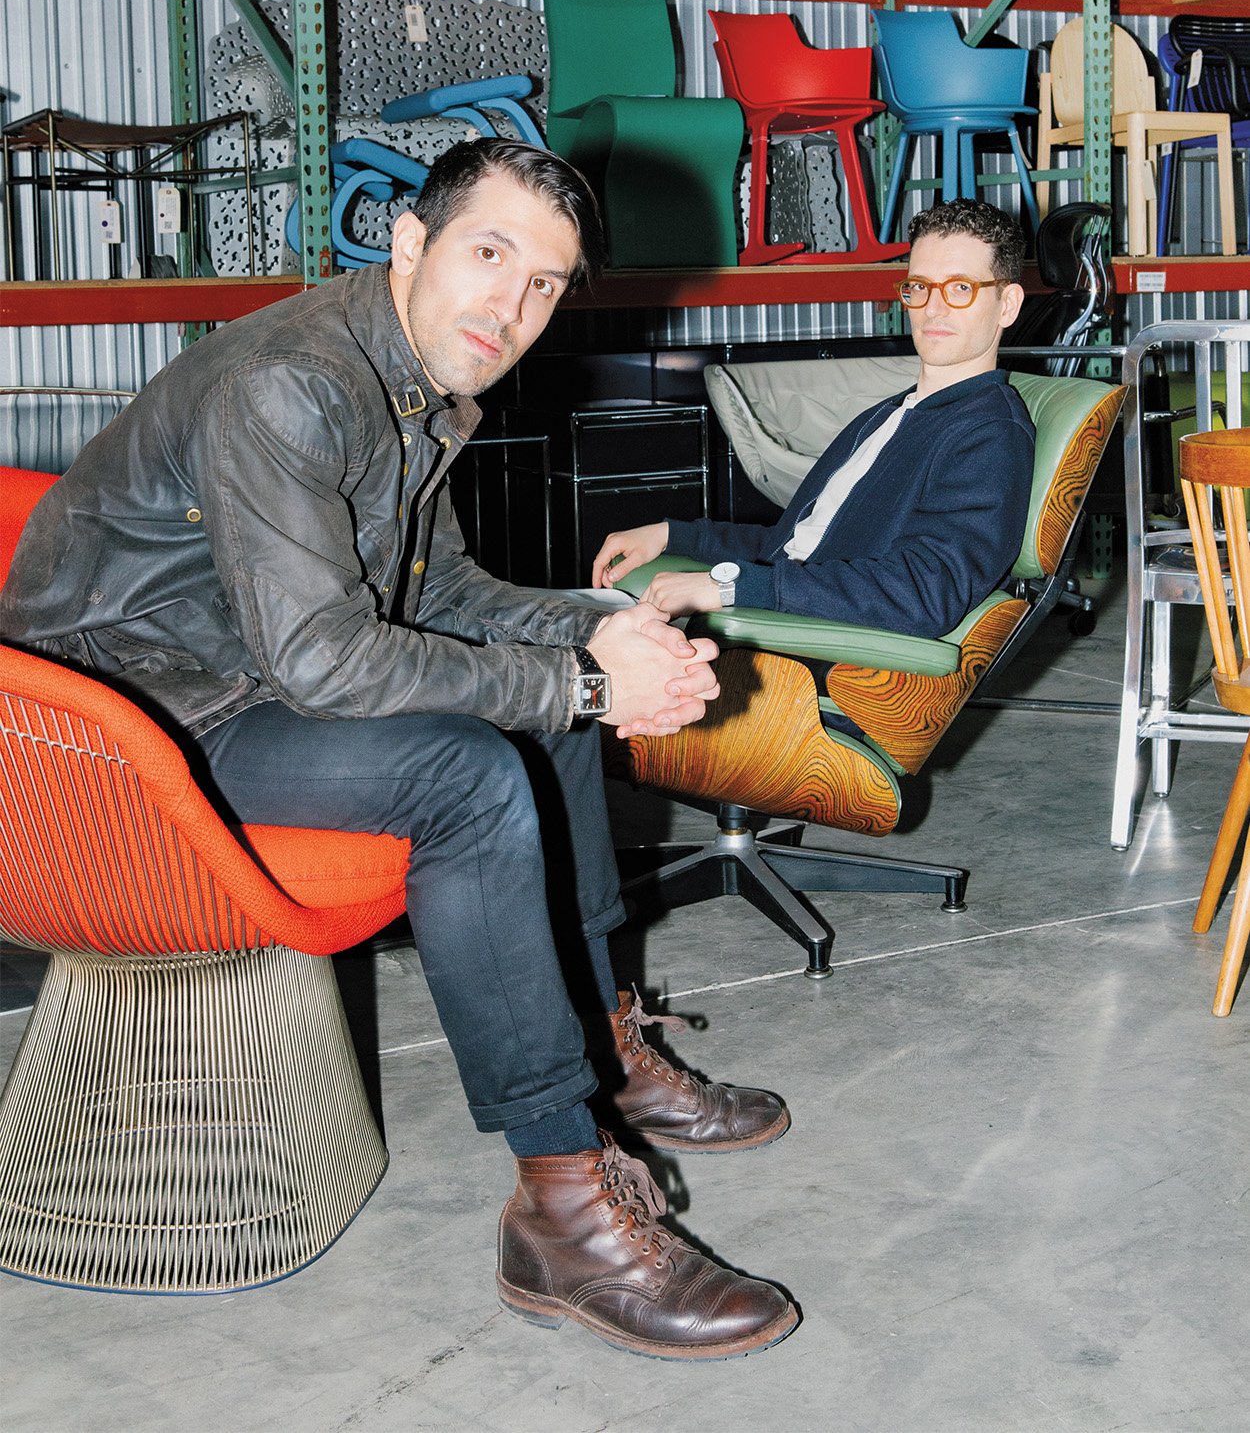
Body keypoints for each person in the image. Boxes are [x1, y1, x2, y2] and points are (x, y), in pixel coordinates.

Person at [0, 139, 798, 1362]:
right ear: (409, 241)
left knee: (551, 711)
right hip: (110, 732)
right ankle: (562, 1207)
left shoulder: (414, 376)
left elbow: (450, 592)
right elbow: (324, 659)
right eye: (489, 253)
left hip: (231, 676)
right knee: (467, 774)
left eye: (543, 282)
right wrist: (584, 678)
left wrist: (599, 637)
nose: (510, 305)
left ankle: (601, 1047)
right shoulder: (290, 382)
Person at [593, 199, 1036, 637]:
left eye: (960, 288)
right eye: (919, 286)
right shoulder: (892, 414)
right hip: (795, 615)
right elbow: (792, 544)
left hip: (825, 651)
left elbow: (925, 593)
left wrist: (729, 587)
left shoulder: (990, 433)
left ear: (1007, 305)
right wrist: (672, 536)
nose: (932, 308)